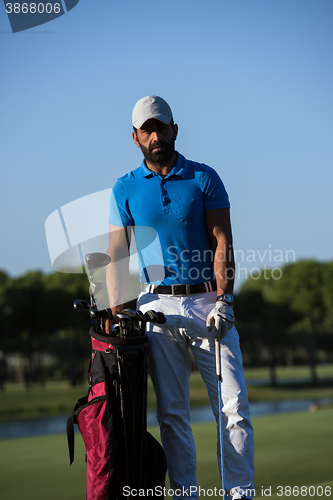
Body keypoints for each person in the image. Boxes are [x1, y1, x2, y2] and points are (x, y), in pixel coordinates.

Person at [106, 96, 254, 500]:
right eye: (147, 130)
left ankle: (239, 495)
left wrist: (226, 299)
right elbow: (116, 257)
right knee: (172, 414)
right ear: (135, 137)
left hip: (209, 302)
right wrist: (115, 313)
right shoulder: (125, 188)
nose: (156, 136)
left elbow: (222, 241)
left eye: (162, 127)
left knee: (233, 408)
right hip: (156, 309)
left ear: (175, 129)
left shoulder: (204, 178)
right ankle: (185, 495)